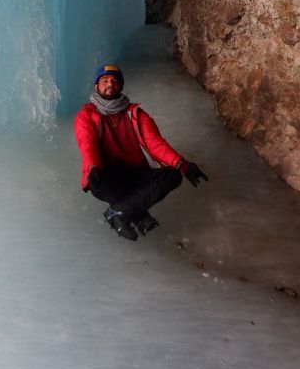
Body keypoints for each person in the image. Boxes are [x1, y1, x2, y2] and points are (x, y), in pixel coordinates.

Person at [74, 64, 208, 241]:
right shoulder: (86, 115)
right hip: (103, 175)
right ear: (96, 87)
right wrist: (93, 167)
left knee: (172, 176)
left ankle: (121, 213)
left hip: (133, 173)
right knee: (101, 180)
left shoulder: (135, 113)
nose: (110, 84)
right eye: (105, 80)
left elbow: (155, 143)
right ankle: (139, 217)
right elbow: (87, 143)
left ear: (120, 86)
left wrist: (182, 164)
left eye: (115, 81)